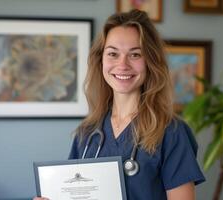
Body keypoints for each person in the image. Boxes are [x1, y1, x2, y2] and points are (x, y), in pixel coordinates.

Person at [34, 9, 205, 200]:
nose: (123, 65)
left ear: (150, 61)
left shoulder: (171, 132)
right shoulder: (88, 133)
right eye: (113, 54)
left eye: (135, 55)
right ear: (101, 60)